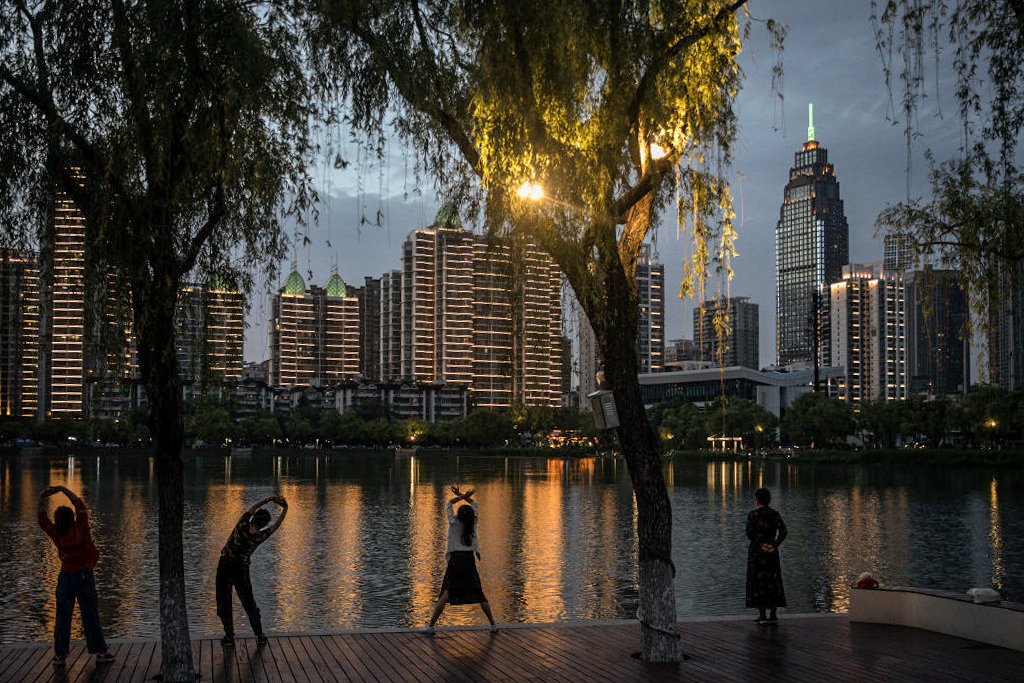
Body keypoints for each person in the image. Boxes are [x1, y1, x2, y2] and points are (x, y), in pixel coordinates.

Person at [38, 485, 115, 668]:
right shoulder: (82, 528)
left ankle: (59, 656)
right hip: (84, 578)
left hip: (66, 578)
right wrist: (63, 489)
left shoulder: (57, 533)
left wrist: (42, 497)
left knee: (62, 618)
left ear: (58, 522)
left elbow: (42, 520)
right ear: (72, 519)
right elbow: (79, 505)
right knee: (90, 616)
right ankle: (101, 652)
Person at [216, 495, 288, 646]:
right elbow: (277, 525)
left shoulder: (242, 524)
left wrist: (268, 499)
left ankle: (229, 636)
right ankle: (260, 635)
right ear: (263, 525)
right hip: (241, 570)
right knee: (248, 602)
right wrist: (285, 508)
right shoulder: (260, 536)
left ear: (253, 518)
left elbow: (252, 508)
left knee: (224, 601)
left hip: (225, 565)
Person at [425, 486, 496, 633]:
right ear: (470, 515)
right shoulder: (473, 523)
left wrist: (459, 496)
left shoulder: (453, 521)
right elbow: (475, 505)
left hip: (456, 560)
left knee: (446, 592)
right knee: (478, 592)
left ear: (459, 514)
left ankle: (431, 626)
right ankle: (493, 625)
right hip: (469, 560)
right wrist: (465, 496)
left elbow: (448, 504)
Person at [746, 487, 788, 625]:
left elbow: (749, 533)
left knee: (759, 581)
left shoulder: (753, 515)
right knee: (772, 580)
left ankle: (762, 614)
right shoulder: (774, 515)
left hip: (757, 552)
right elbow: (783, 530)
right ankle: (774, 614)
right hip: (771, 551)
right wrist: (775, 544)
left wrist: (761, 545)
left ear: (757, 500)